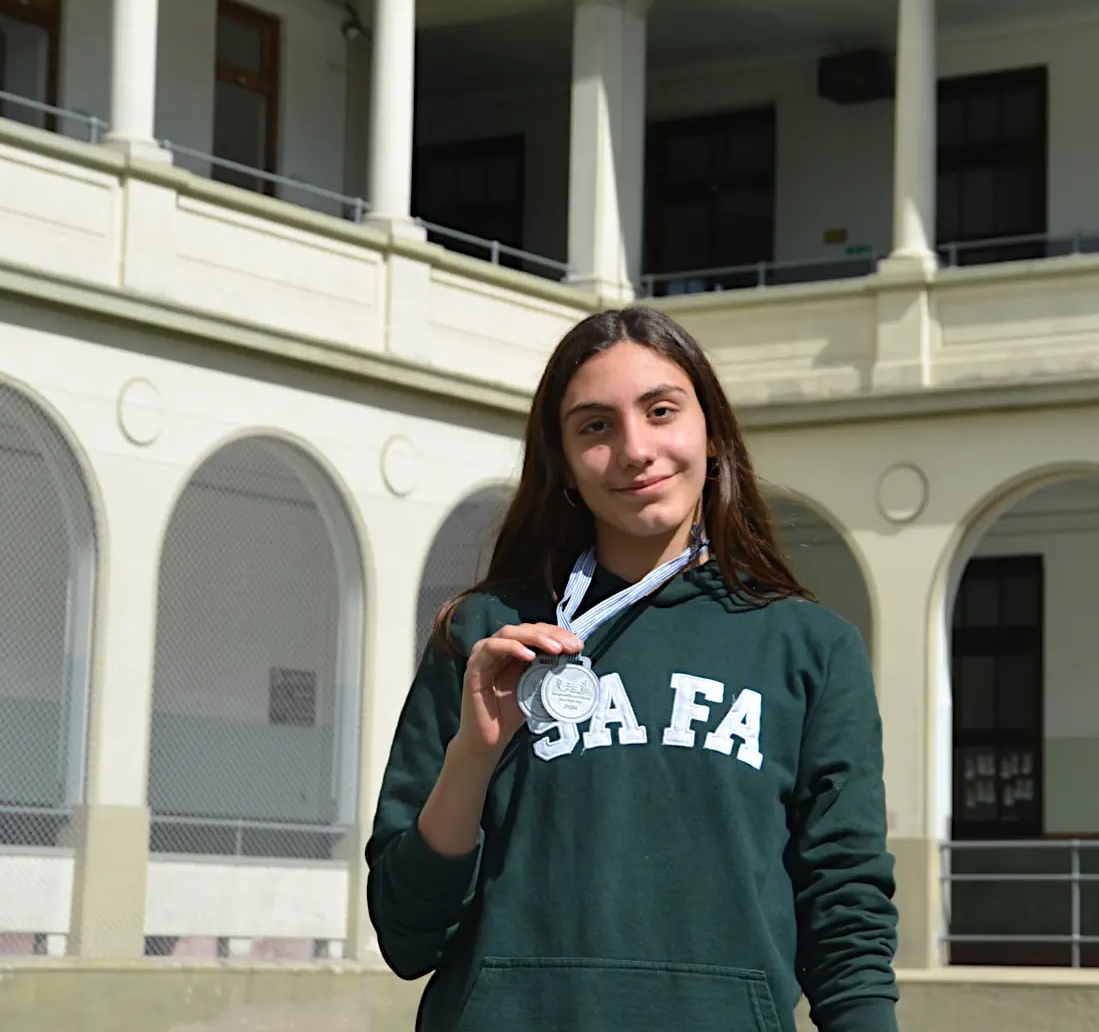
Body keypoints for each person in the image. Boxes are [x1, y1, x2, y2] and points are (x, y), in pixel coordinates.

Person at [364, 306, 900, 1032]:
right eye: (595, 426)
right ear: (561, 462)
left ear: (711, 436)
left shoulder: (811, 649)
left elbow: (847, 913)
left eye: (661, 411)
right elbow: (405, 934)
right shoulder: (485, 638)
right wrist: (474, 754)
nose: (635, 449)